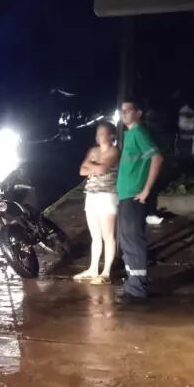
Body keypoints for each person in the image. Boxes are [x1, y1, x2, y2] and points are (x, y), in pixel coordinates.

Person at [116, 100, 164, 299]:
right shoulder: (130, 135)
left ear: (139, 113)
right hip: (126, 195)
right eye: (122, 111)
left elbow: (157, 157)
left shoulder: (139, 133)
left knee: (133, 241)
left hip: (134, 195)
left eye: (129, 110)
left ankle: (137, 289)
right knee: (126, 240)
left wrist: (146, 190)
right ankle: (132, 284)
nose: (124, 113)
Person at [74, 121, 120, 284]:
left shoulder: (114, 151)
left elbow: (102, 169)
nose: (99, 136)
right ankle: (93, 269)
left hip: (107, 195)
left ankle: (106, 272)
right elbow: (82, 170)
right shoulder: (93, 150)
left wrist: (92, 164)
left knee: (108, 235)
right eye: (98, 133)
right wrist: (95, 164)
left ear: (111, 135)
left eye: (103, 133)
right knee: (95, 236)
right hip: (91, 194)